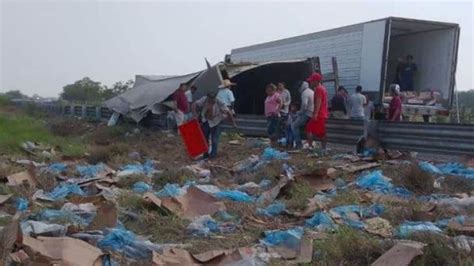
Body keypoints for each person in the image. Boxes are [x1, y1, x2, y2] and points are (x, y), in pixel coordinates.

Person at [192, 92, 236, 159]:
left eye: (212, 100)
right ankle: (205, 154)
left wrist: (233, 123)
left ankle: (213, 156)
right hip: (206, 121)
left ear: (215, 98)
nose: (211, 102)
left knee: (214, 139)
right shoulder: (204, 99)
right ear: (207, 98)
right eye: (210, 100)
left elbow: (228, 112)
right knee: (204, 139)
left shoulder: (219, 101)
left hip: (216, 122)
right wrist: (194, 115)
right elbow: (194, 104)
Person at [305, 73, 329, 151]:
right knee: (320, 132)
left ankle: (311, 146)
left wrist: (315, 114)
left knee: (309, 129)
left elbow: (318, 102)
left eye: (311, 81)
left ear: (316, 81)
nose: (310, 82)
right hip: (323, 113)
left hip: (319, 114)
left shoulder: (318, 89)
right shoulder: (323, 89)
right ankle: (323, 148)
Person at [291, 81, 314, 149]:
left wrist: (300, 112)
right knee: (309, 130)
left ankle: (298, 144)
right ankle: (310, 145)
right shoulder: (310, 91)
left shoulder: (304, 93)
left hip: (307, 113)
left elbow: (304, 104)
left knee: (294, 126)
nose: (298, 89)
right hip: (312, 113)